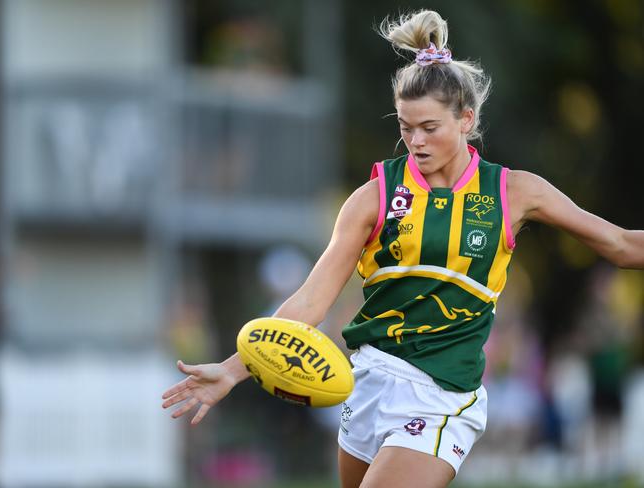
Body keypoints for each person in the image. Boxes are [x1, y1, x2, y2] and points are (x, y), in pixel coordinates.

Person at [161, 10, 644, 488]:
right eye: (406, 127)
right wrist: (231, 369)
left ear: (466, 120)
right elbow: (310, 301)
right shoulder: (372, 197)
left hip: (442, 395)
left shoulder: (514, 192)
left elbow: (620, 244)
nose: (415, 140)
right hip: (368, 383)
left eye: (430, 127)